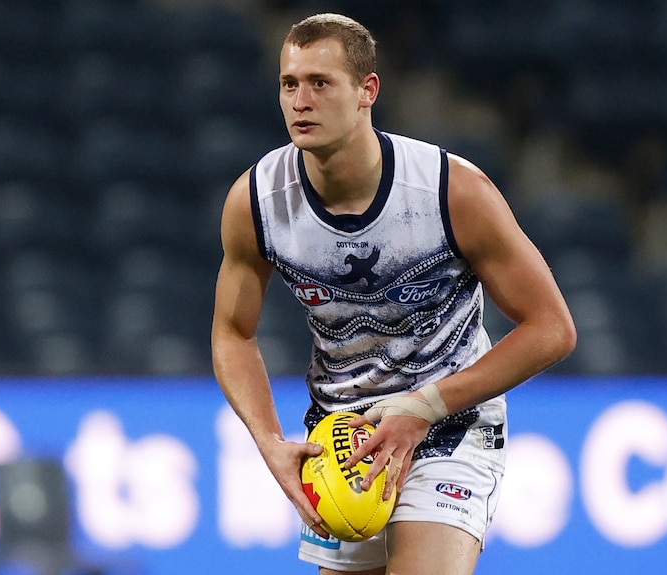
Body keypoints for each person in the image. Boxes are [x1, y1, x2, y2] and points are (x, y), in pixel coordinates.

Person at [211, 12, 576, 575]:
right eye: (289, 84)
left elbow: (552, 329)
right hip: (343, 440)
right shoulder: (257, 202)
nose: (300, 100)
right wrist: (268, 440)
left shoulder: (451, 191)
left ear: (367, 91)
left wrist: (426, 406)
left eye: (320, 83)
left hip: (448, 424)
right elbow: (233, 333)